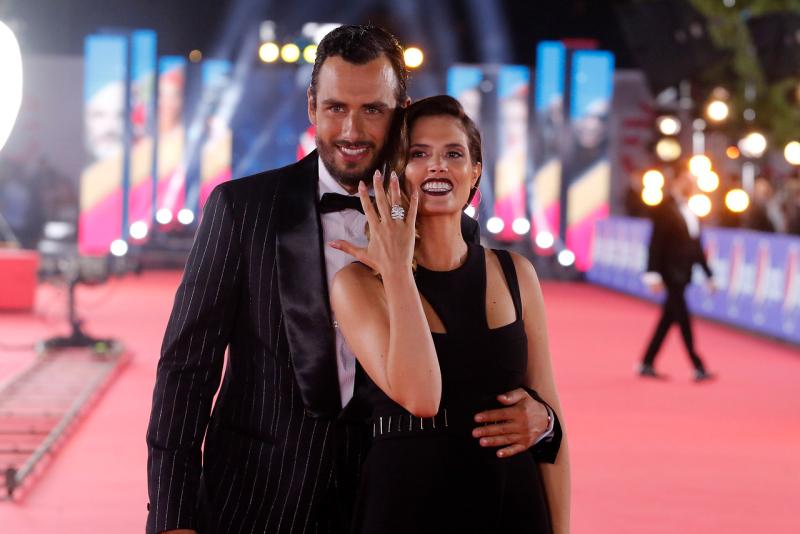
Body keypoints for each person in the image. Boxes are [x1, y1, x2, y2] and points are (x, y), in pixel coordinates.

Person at [146, 25, 561, 534]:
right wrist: (173, 518)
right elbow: (186, 371)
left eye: (373, 110)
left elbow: (478, 370)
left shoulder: (442, 227)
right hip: (258, 504)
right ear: (311, 107)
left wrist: (543, 421)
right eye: (336, 107)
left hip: (396, 505)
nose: (352, 130)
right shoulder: (243, 210)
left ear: (401, 111)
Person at [329, 95, 569, 533]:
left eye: (453, 154)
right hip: (405, 507)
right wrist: (397, 269)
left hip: (511, 503)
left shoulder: (516, 274)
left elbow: (550, 416)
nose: (437, 166)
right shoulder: (359, 285)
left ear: (475, 170)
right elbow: (421, 397)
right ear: (396, 172)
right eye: (418, 154)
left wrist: (547, 425)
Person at [639, 166, 715, 381]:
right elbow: (655, 244)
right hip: (670, 274)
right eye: (685, 181)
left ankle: (646, 362)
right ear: (675, 182)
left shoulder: (692, 211)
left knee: (667, 320)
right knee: (683, 319)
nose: (689, 185)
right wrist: (653, 274)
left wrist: (709, 275)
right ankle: (698, 365)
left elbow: (696, 248)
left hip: (684, 274)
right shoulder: (664, 209)